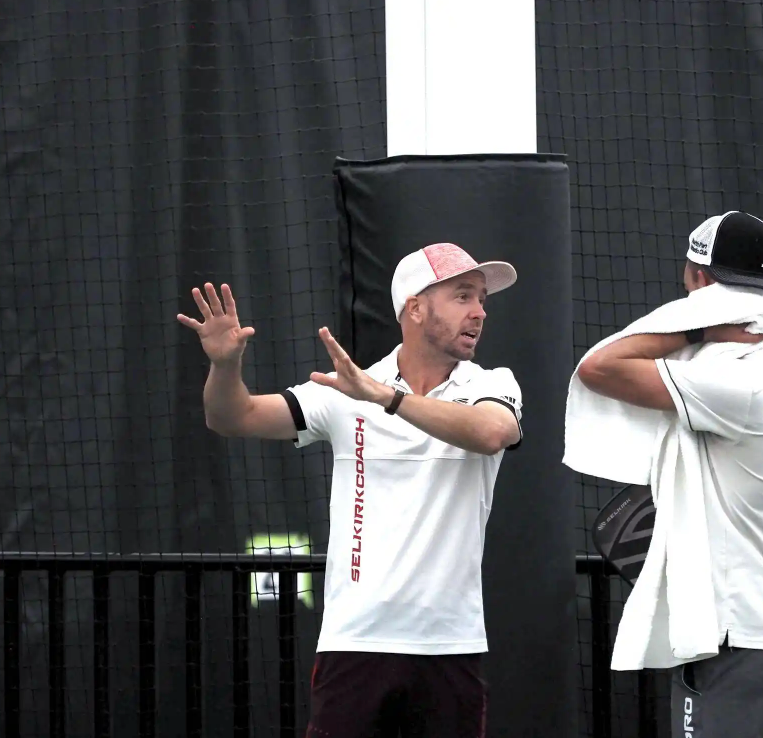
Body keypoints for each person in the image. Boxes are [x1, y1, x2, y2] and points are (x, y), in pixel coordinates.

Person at [177, 243, 523, 738]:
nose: (479, 312)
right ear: (416, 307)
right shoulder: (345, 391)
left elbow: (492, 433)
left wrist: (386, 397)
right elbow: (232, 417)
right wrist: (224, 365)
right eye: (462, 296)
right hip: (354, 643)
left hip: (450, 646)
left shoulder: (492, 384)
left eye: (482, 299)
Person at [576, 211, 763, 738]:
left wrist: (691, 326)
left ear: (702, 284)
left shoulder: (730, 377)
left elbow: (599, 368)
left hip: (734, 643)